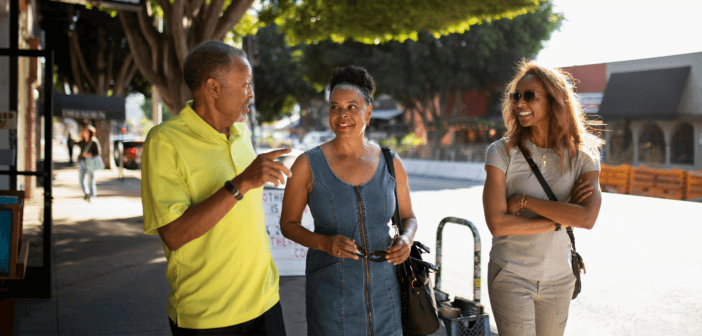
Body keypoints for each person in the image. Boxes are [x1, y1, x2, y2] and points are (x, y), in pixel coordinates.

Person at [140, 40, 291, 336]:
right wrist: (240, 184)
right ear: (213, 87)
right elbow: (173, 234)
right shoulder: (164, 141)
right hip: (209, 316)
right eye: (245, 84)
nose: (251, 93)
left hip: (266, 301)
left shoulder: (242, 133)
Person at [279, 65, 417, 336]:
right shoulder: (308, 164)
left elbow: (409, 218)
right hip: (332, 300)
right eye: (335, 107)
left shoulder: (391, 163)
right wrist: (324, 242)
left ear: (368, 112)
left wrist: (406, 240)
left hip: (386, 298)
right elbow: (288, 224)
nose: (342, 114)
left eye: (352, 106)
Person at [482, 60, 604, 336]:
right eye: (515, 96)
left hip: (559, 278)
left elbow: (586, 218)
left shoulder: (584, 156)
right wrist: (561, 214)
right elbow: (498, 225)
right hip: (510, 273)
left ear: (554, 100)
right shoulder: (501, 152)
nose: (519, 103)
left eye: (529, 96)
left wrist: (526, 201)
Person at [78, 125, 100, 202]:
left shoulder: (94, 141)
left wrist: (89, 154)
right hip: (82, 162)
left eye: (87, 131)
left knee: (91, 179)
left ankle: (92, 195)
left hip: (90, 161)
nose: (85, 132)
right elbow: (75, 142)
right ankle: (86, 193)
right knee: (81, 179)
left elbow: (97, 153)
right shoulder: (83, 140)